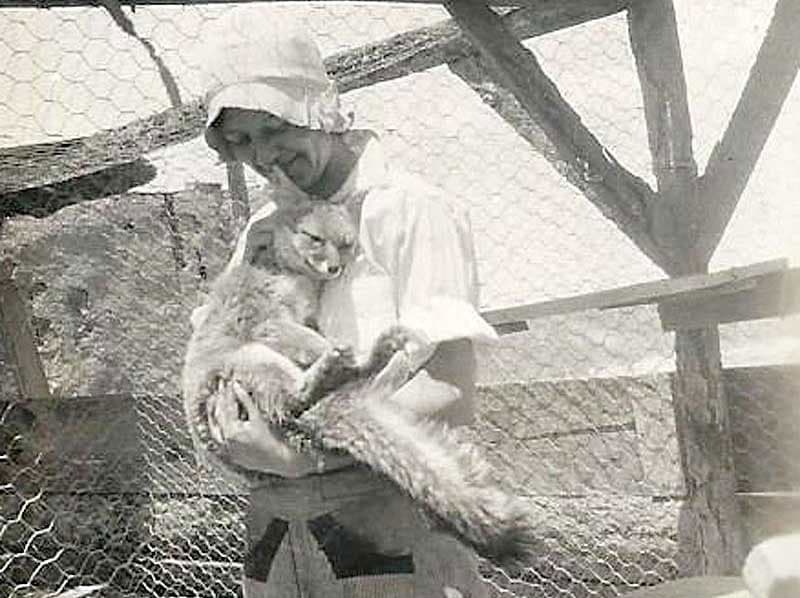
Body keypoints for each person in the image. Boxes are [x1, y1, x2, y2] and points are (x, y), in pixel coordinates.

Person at [195, 8, 498, 597]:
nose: (262, 156)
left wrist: (300, 458)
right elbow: (221, 367)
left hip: (390, 526)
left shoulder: (409, 209)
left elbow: (449, 395)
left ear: (317, 107)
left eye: (274, 128)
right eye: (241, 140)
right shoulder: (264, 228)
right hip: (277, 533)